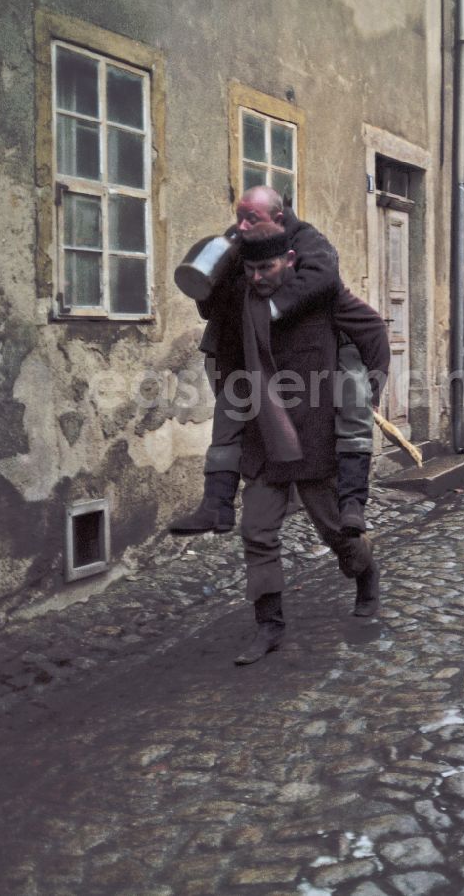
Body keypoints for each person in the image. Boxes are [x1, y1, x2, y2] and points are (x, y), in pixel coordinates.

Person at [205, 221, 390, 665]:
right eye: (250, 269)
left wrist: (367, 398)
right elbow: (224, 367)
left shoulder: (322, 299)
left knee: (335, 532)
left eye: (265, 267)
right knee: (257, 532)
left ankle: (365, 574)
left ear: (289, 261)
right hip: (265, 443)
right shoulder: (243, 306)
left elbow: (374, 335)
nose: (257, 278)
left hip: (315, 441)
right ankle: (269, 624)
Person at [168, 185, 376, 538]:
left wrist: (273, 310)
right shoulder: (236, 243)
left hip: (310, 358)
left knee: (351, 413)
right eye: (239, 217)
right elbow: (209, 298)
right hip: (238, 352)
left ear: (278, 218)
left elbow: (324, 278)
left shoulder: (308, 240)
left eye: (252, 217)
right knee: (228, 420)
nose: (243, 225)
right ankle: (215, 505)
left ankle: (353, 506)